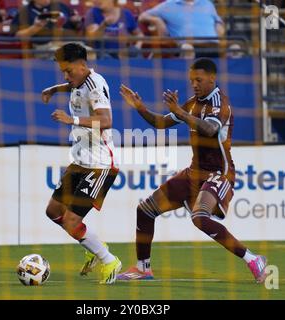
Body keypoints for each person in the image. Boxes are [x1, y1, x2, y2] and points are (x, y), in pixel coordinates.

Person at [117, 58, 268, 283]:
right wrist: (140, 107)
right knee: (145, 210)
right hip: (193, 173)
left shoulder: (220, 103)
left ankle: (252, 259)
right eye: (191, 80)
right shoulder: (192, 103)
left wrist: (180, 111)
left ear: (212, 78)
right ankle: (142, 268)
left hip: (219, 173)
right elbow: (160, 123)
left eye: (199, 80)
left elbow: (209, 129)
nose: (194, 84)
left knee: (199, 217)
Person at [41, 43, 122, 284]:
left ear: (82, 65)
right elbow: (72, 84)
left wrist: (71, 119)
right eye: (62, 72)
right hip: (80, 162)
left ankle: (109, 260)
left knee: (71, 221)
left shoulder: (95, 84)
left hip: (99, 165)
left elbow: (106, 120)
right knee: (53, 212)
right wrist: (54, 89)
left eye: (68, 71)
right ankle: (93, 246)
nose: (66, 76)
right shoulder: (78, 81)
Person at [138, 0, 225, 58]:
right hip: (189, 46)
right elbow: (142, 16)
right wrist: (157, 20)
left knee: (235, 47)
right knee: (187, 49)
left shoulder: (207, 3)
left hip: (213, 45)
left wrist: (219, 25)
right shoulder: (169, 5)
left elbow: (218, 21)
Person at [11, 0, 85, 59]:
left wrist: (76, 21)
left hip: (69, 42)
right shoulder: (25, 11)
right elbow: (17, 35)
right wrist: (36, 27)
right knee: (67, 54)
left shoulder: (60, 5)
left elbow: (75, 23)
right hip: (44, 46)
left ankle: (88, 77)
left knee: (88, 51)